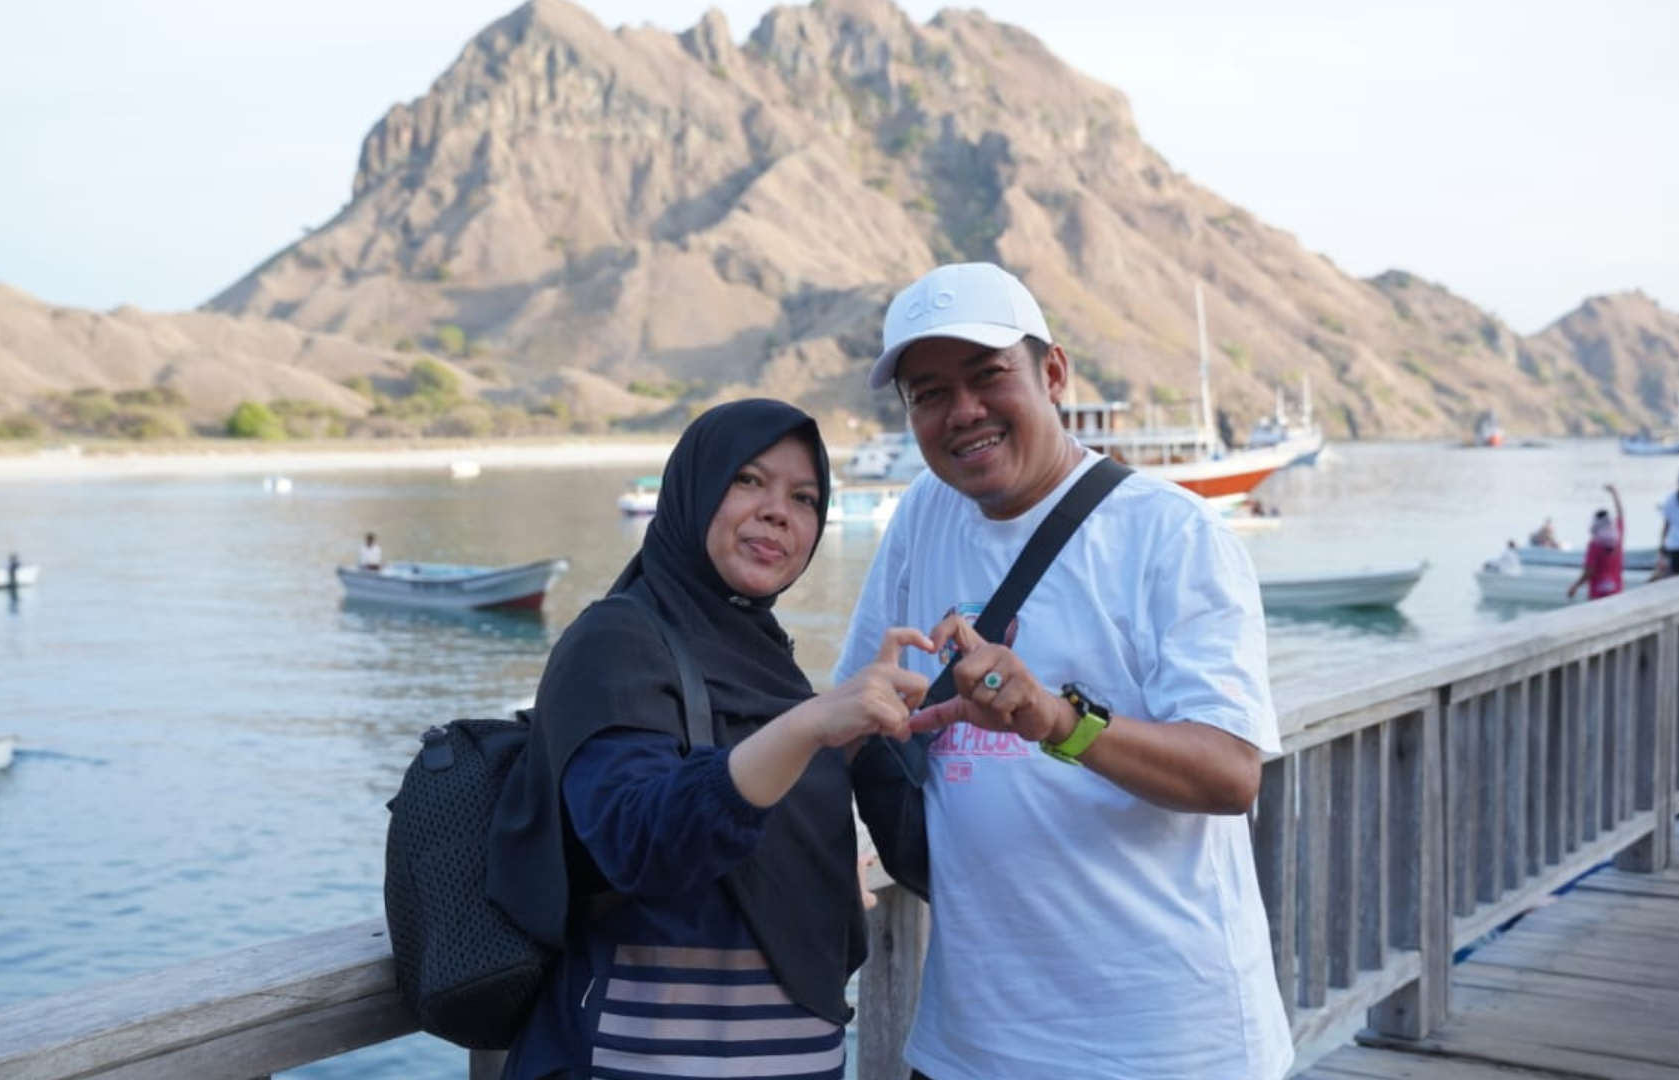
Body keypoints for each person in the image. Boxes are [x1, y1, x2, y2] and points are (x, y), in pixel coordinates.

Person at [838, 262, 1293, 1079]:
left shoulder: (1172, 534)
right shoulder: (922, 515)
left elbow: (1231, 774)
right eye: (929, 393)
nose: (963, 411)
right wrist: (821, 836)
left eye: (988, 375)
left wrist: (1056, 720)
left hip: (1166, 1048)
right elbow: (850, 705)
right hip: (969, 1045)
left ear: (1053, 373)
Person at [493, 399, 931, 1080]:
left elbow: (782, 838)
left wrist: (893, 732)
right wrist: (811, 724)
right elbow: (636, 839)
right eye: (748, 480)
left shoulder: (768, 663)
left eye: (804, 497)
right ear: (693, 489)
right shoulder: (615, 640)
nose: (778, 512)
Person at [1567, 485, 1625, 600]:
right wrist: (1614, 493)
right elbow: (1620, 514)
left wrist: (1575, 586)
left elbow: (1590, 571)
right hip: (1616, 591)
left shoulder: (1594, 545)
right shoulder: (1617, 537)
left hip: (1598, 594)